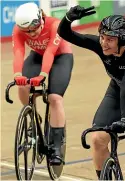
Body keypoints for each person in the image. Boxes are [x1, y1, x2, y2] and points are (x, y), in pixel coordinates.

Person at [57, 5, 125, 180]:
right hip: (116, 92)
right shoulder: (102, 45)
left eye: (110, 39)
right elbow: (66, 34)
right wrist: (68, 18)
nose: (104, 42)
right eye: (102, 37)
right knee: (97, 139)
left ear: (123, 41)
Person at [13, 2, 74, 165]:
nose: (32, 34)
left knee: (54, 98)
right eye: (27, 31)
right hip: (37, 56)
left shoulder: (54, 25)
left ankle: (55, 146)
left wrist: (43, 74)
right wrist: (18, 74)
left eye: (34, 28)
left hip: (61, 57)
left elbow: (50, 52)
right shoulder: (18, 30)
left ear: (41, 18)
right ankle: (33, 117)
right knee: (22, 85)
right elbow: (19, 52)